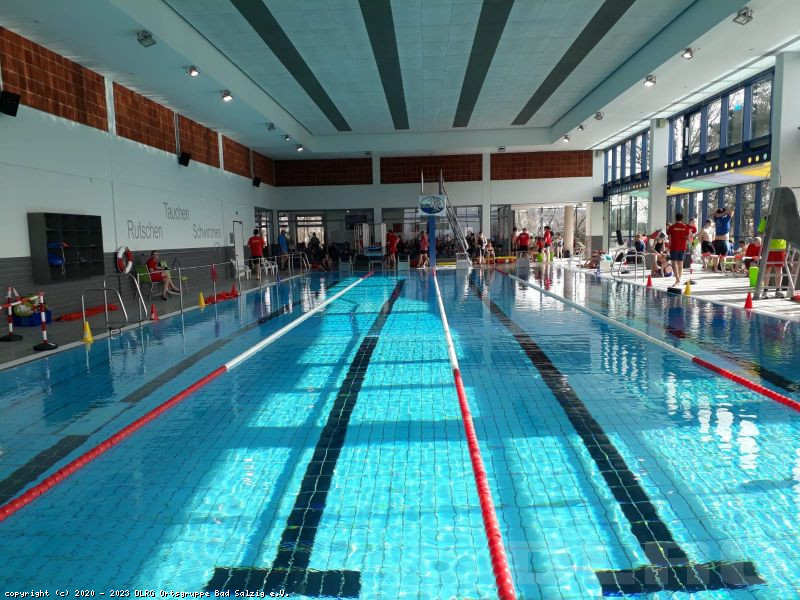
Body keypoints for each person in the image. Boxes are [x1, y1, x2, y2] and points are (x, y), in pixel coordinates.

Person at [666, 213, 692, 286]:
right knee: (680, 263)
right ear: (682, 218)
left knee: (674, 263)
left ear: (675, 218)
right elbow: (688, 238)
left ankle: (677, 279)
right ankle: (678, 279)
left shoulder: (671, 227)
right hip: (682, 247)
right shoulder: (685, 227)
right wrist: (691, 245)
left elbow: (669, 238)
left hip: (674, 247)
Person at [712, 206, 734, 271]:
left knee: (716, 256)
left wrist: (720, 214)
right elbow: (731, 212)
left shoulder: (716, 219)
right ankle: (723, 269)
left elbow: (714, 214)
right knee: (723, 256)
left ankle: (716, 268)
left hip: (717, 240)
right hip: (724, 241)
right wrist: (724, 213)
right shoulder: (725, 219)